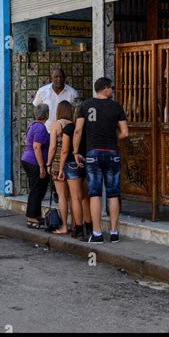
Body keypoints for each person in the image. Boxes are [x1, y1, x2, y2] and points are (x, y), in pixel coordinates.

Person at [74, 77, 128, 244]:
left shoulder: (85, 106)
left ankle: (97, 233)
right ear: (105, 89)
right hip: (112, 153)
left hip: (93, 154)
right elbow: (125, 133)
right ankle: (114, 232)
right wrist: (114, 136)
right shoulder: (116, 106)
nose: (113, 91)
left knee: (95, 194)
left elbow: (78, 130)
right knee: (113, 193)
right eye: (111, 88)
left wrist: (76, 151)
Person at [59, 103, 92, 239]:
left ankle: (78, 228)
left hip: (72, 164)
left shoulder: (70, 128)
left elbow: (65, 150)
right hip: (86, 162)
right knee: (85, 197)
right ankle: (89, 227)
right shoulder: (89, 128)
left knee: (75, 197)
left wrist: (60, 168)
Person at [46, 101, 74, 235]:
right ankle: (76, 224)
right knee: (73, 196)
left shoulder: (56, 124)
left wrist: (48, 164)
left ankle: (63, 226)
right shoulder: (73, 125)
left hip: (58, 163)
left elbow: (52, 147)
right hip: (73, 162)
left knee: (62, 196)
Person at [21, 103, 50, 228]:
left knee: (38, 188)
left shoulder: (32, 125)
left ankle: (36, 215)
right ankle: (31, 218)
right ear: (47, 114)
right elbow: (37, 147)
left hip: (27, 159)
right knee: (36, 190)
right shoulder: (40, 128)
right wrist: (42, 167)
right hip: (34, 161)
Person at [33, 68, 79, 133]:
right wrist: (37, 128)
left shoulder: (73, 93)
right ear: (51, 78)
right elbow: (35, 110)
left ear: (64, 78)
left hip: (65, 132)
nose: (59, 79)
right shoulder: (42, 91)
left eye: (61, 77)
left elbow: (76, 114)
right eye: (56, 77)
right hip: (46, 131)